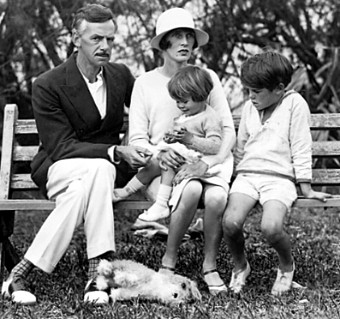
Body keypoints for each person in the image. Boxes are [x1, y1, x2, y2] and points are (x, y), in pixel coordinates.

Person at [1, 4, 152, 305]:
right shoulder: (48, 84)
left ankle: (21, 272)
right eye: (96, 38)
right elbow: (60, 146)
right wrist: (115, 150)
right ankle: (99, 270)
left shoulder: (120, 75)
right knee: (98, 169)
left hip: (102, 174)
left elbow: (148, 107)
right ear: (75, 38)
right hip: (59, 167)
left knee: (93, 177)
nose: (105, 46)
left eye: (110, 39)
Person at [128, 8, 236, 295]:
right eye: (177, 36)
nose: (185, 42)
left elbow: (226, 131)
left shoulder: (206, 77)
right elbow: (137, 139)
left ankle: (210, 266)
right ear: (163, 43)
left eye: (189, 36)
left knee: (216, 196)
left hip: (204, 165)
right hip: (163, 171)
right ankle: (169, 263)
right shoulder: (145, 83)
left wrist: (207, 165)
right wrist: (158, 155)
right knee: (189, 192)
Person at [222, 51, 332, 295]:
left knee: (271, 227)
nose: (250, 97)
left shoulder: (295, 104)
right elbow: (241, 146)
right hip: (248, 176)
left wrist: (305, 186)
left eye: (256, 91)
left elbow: (302, 146)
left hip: (279, 179)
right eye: (248, 90)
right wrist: (231, 177)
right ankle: (240, 266)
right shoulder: (253, 107)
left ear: (279, 88)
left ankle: (286, 265)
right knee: (230, 223)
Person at [114, 65, 225, 222]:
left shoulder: (209, 117)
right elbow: (173, 137)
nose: (179, 106)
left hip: (192, 161)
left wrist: (190, 139)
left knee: (166, 165)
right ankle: (127, 190)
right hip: (176, 154)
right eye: (177, 102)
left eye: (184, 101)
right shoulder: (185, 114)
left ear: (200, 95)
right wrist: (170, 139)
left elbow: (215, 146)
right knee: (152, 164)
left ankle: (161, 204)